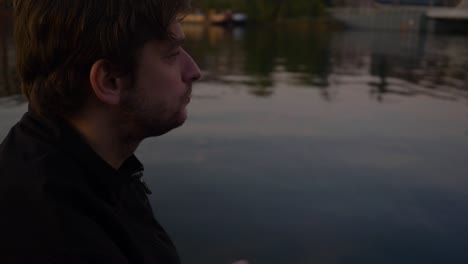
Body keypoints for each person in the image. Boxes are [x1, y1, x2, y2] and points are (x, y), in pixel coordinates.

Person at [0, 0, 216, 263]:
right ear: (110, 81)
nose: (194, 71)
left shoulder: (83, 161)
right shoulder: (57, 235)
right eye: (172, 55)